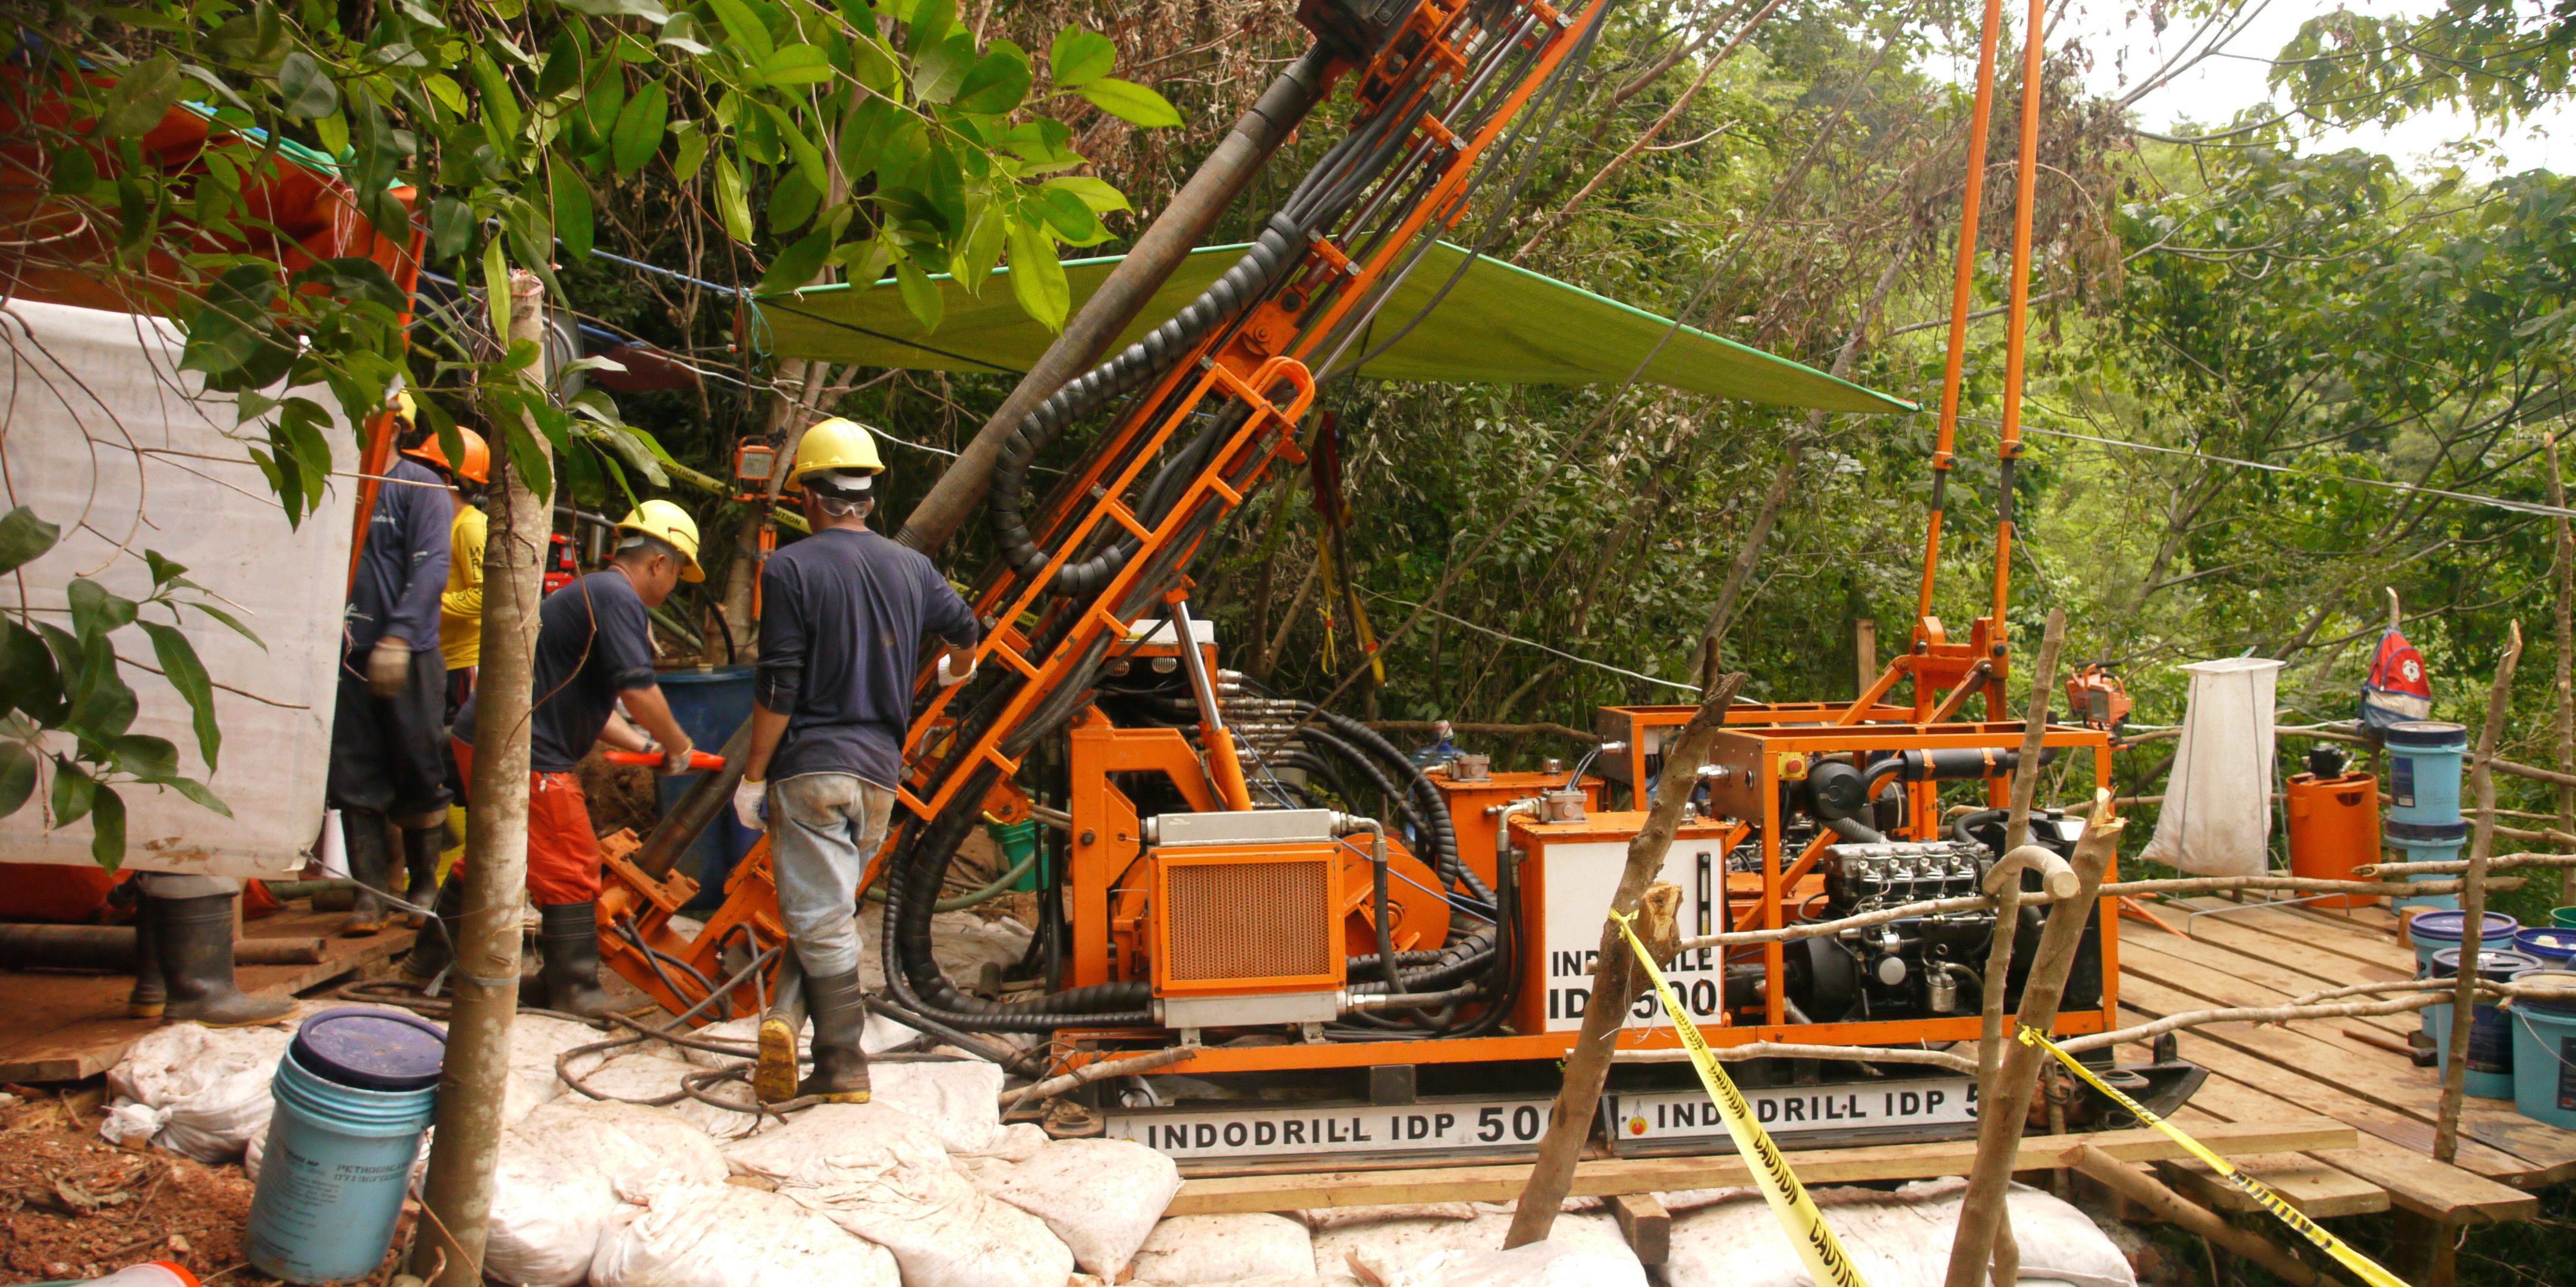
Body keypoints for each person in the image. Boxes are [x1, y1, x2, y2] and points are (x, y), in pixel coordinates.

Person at [732, 418, 980, 1103]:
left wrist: (754, 775)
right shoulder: (912, 567)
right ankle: (786, 1024)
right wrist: (958, 671)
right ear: (869, 495)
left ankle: (842, 1061)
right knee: (828, 908)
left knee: (819, 917)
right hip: (878, 774)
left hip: (811, 767)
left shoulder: (788, 568)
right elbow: (967, 629)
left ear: (810, 496)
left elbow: (779, 683)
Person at [400, 501, 703, 1015]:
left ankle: (425, 966)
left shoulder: (595, 594)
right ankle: (574, 987)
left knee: (494, 858)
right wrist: (678, 745)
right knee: (571, 862)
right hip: (524, 750)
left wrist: (646, 747)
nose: (673, 586)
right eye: (677, 574)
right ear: (659, 563)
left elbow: (595, 703)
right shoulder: (616, 598)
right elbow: (638, 692)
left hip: (496, 738)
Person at [325, 391, 452, 937]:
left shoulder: (419, 488)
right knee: (354, 774)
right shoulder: (335, 486)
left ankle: (423, 882)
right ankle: (370, 894)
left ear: (396, 429)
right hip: (345, 654)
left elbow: (431, 567)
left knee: (418, 766)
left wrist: (399, 636)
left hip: (408, 655)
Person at [430, 426, 491, 925]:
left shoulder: (470, 527)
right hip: (436, 657)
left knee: (456, 761)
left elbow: (485, 593)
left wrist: (431, 604)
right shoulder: (440, 525)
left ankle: (462, 860)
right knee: (432, 755)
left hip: (462, 661)